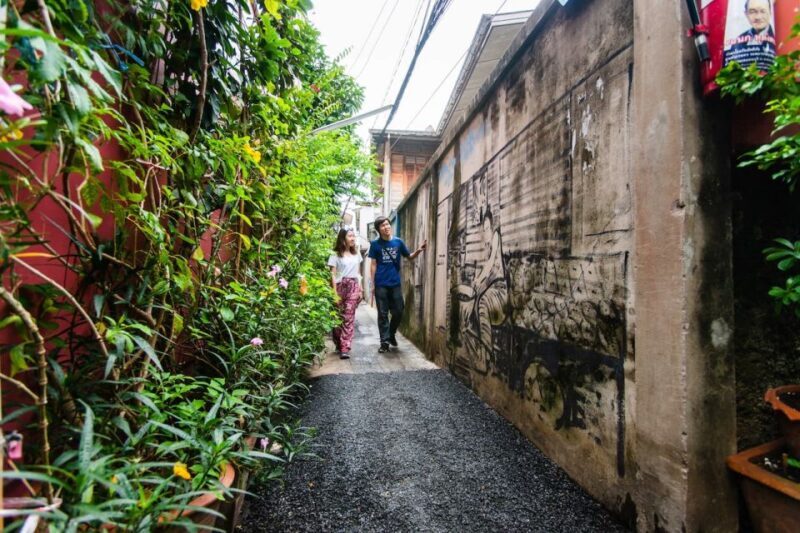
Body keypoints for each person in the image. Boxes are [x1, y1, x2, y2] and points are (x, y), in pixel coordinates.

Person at [368, 217, 426, 353]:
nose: (386, 227)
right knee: (382, 314)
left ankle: (391, 333)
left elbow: (409, 256)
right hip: (381, 283)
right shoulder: (375, 245)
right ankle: (384, 342)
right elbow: (373, 264)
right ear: (378, 229)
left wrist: (419, 250)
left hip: (395, 283)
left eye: (387, 224)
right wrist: (372, 283)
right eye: (383, 225)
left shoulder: (398, 242)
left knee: (399, 310)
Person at [328, 228, 363, 359]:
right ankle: (338, 341)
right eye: (350, 236)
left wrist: (360, 289)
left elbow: (358, 274)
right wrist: (334, 293)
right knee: (337, 317)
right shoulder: (335, 254)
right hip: (340, 285)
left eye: (354, 236)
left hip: (353, 286)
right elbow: (333, 274)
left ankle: (345, 347)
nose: (353, 238)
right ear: (343, 238)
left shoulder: (357, 255)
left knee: (348, 317)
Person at [724, 0, 776, 71]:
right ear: (746, 14)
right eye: (752, 12)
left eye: (763, 11)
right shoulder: (738, 40)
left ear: (770, 13)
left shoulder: (776, 39)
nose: (758, 17)